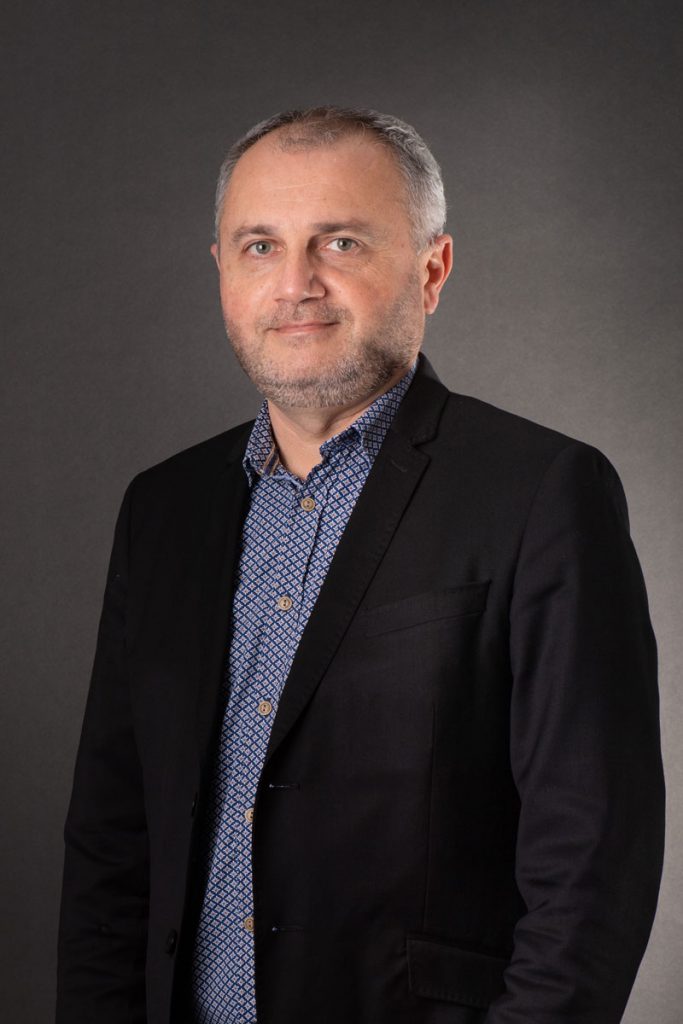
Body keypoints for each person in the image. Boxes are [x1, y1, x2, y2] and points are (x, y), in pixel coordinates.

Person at [56, 106, 665, 1024]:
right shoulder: (163, 510)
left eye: (339, 242)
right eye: (259, 246)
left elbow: (592, 858)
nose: (295, 283)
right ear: (221, 269)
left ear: (431, 269)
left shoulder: (541, 492)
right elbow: (113, 839)